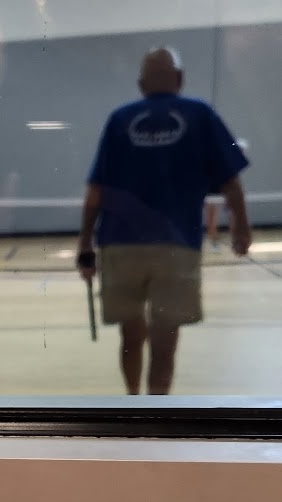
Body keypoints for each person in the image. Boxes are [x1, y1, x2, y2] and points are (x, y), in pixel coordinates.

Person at [77, 47, 251, 395]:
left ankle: (132, 401)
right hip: (177, 246)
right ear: (180, 79)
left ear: (141, 84)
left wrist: (85, 245)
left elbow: (96, 190)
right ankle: (157, 408)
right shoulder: (200, 114)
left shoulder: (119, 118)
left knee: (130, 332)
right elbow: (231, 182)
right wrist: (241, 228)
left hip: (120, 245)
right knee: (166, 337)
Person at [205, 138, 249, 249]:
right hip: (213, 191)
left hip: (223, 191)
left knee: (231, 215)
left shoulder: (230, 161)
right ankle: (213, 241)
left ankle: (235, 239)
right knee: (212, 215)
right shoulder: (221, 158)